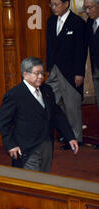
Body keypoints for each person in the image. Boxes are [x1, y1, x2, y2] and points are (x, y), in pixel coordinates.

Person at [0, 57, 78, 172]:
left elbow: (57, 115)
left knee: (44, 180)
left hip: (47, 145)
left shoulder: (47, 90)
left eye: (42, 73)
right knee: (31, 182)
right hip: (26, 147)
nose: (41, 76)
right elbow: (4, 123)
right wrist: (10, 145)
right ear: (25, 74)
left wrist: (70, 137)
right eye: (36, 73)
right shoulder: (14, 95)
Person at [46, 0, 87, 148]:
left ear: (66, 4)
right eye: (51, 4)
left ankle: (76, 138)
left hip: (71, 72)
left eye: (56, 4)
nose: (53, 8)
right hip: (54, 70)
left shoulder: (77, 23)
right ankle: (65, 134)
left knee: (72, 106)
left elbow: (80, 51)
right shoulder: (50, 21)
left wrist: (79, 73)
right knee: (50, 102)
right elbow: (49, 46)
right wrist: (48, 68)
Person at [84, 0, 99, 149]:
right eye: (85, 8)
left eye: (90, 8)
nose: (87, 11)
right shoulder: (89, 23)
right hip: (96, 71)